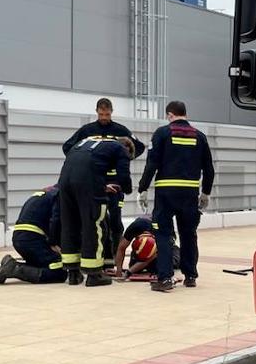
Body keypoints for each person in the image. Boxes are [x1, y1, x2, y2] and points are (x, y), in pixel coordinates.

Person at [138, 100, 214, 292]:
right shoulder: (200, 136)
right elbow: (209, 169)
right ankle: (190, 276)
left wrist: (143, 188)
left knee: (162, 234)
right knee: (189, 234)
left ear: (170, 115)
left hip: (166, 193)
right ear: (184, 114)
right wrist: (205, 192)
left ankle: (165, 279)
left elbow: (151, 164)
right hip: (189, 193)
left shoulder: (162, 134)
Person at [62, 98, 144, 268]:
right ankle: (95, 258)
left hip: (115, 182)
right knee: (94, 218)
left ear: (111, 112)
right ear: (96, 112)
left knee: (114, 219)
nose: (104, 117)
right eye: (101, 114)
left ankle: (113, 257)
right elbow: (68, 147)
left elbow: (139, 146)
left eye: (107, 114)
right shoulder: (87, 130)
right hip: (93, 180)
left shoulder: (120, 130)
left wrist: (124, 160)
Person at [59, 136, 135, 287]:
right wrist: (126, 189)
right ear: (128, 150)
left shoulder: (89, 142)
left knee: (70, 223)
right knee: (94, 224)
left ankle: (73, 273)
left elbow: (84, 166)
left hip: (65, 180)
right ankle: (94, 274)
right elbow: (123, 177)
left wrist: (100, 184)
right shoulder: (121, 150)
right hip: (87, 181)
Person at [0, 185, 66, 285]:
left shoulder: (44, 195)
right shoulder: (58, 197)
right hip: (32, 239)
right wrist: (54, 243)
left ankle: (10, 264)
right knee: (59, 272)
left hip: (20, 237)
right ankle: (14, 269)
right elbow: (55, 222)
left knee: (42, 264)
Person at [113, 214, 179, 277]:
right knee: (135, 268)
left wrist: (129, 272)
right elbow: (121, 248)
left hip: (166, 247)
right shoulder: (136, 226)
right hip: (147, 237)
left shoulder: (163, 231)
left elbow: (148, 260)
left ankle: (177, 253)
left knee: (165, 267)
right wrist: (119, 269)